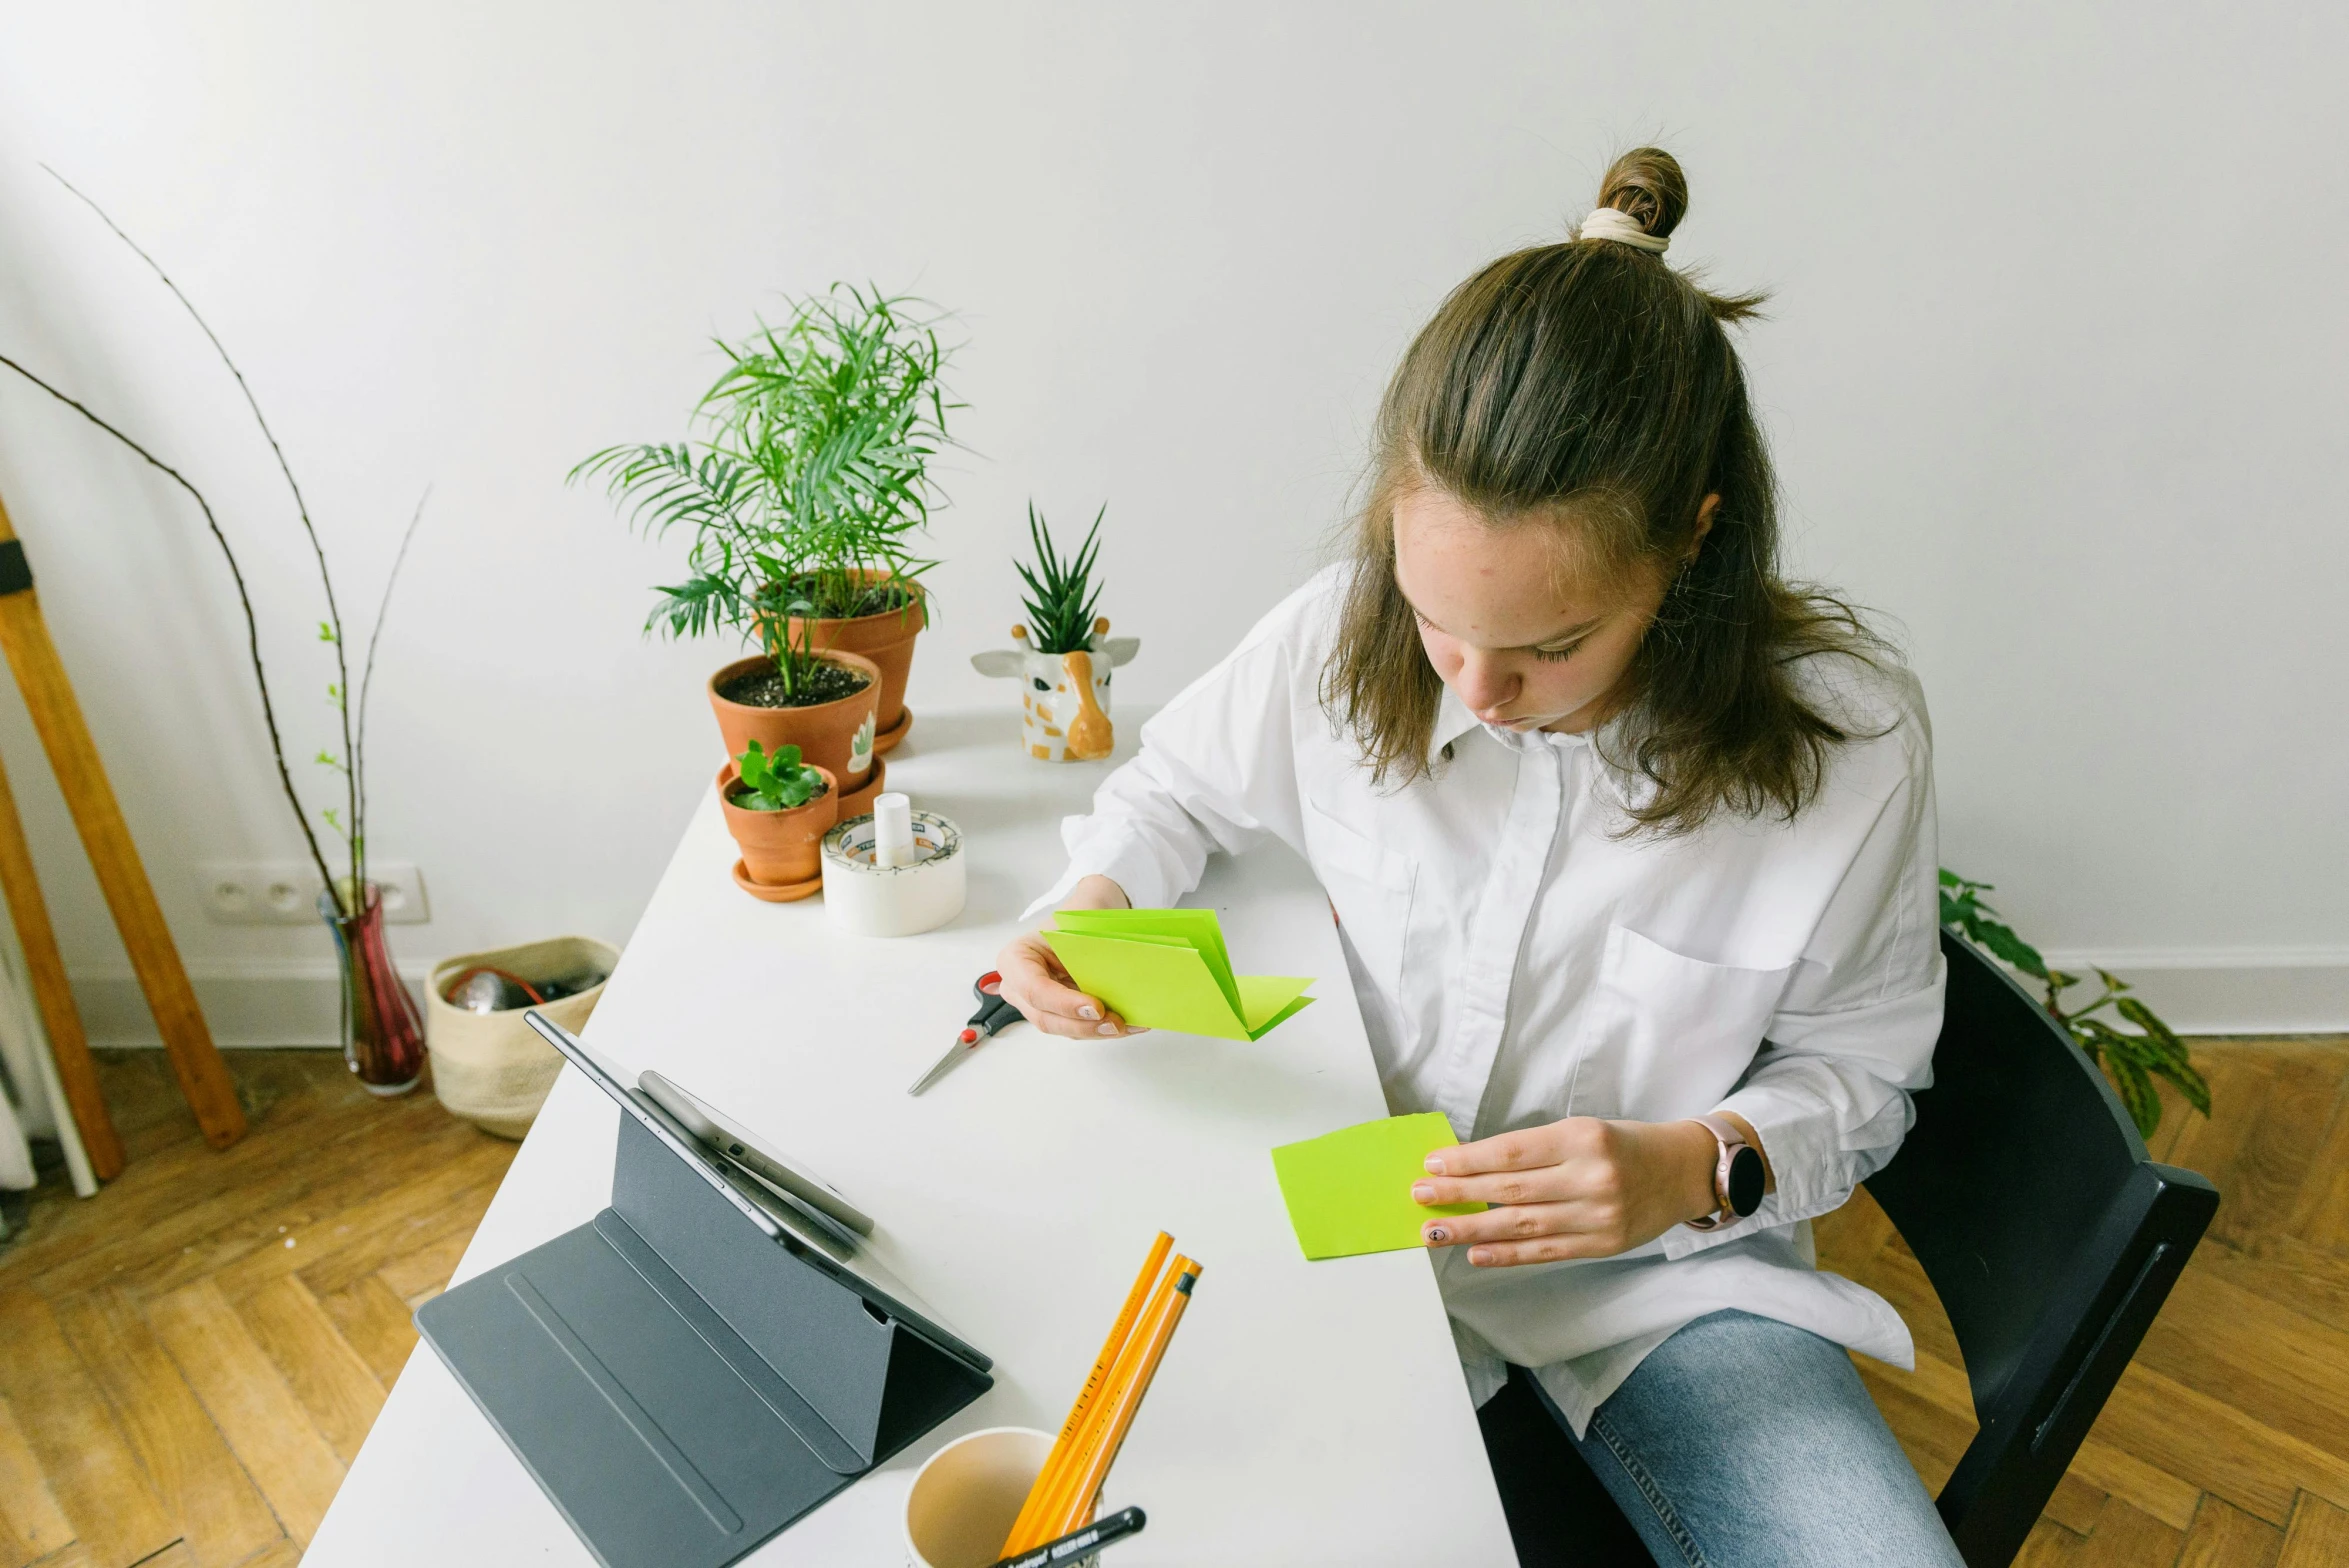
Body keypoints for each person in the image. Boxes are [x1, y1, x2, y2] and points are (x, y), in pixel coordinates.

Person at [995, 147, 1963, 1566]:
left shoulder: (1848, 749)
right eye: (1438, 619)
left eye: (1551, 646)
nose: (1475, 687)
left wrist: (1700, 1166)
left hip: (1657, 1287)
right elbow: (1178, 789)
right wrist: (1085, 904)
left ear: (1692, 542)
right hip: (1329, 1221)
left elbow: (1865, 1069)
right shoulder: (1339, 637)